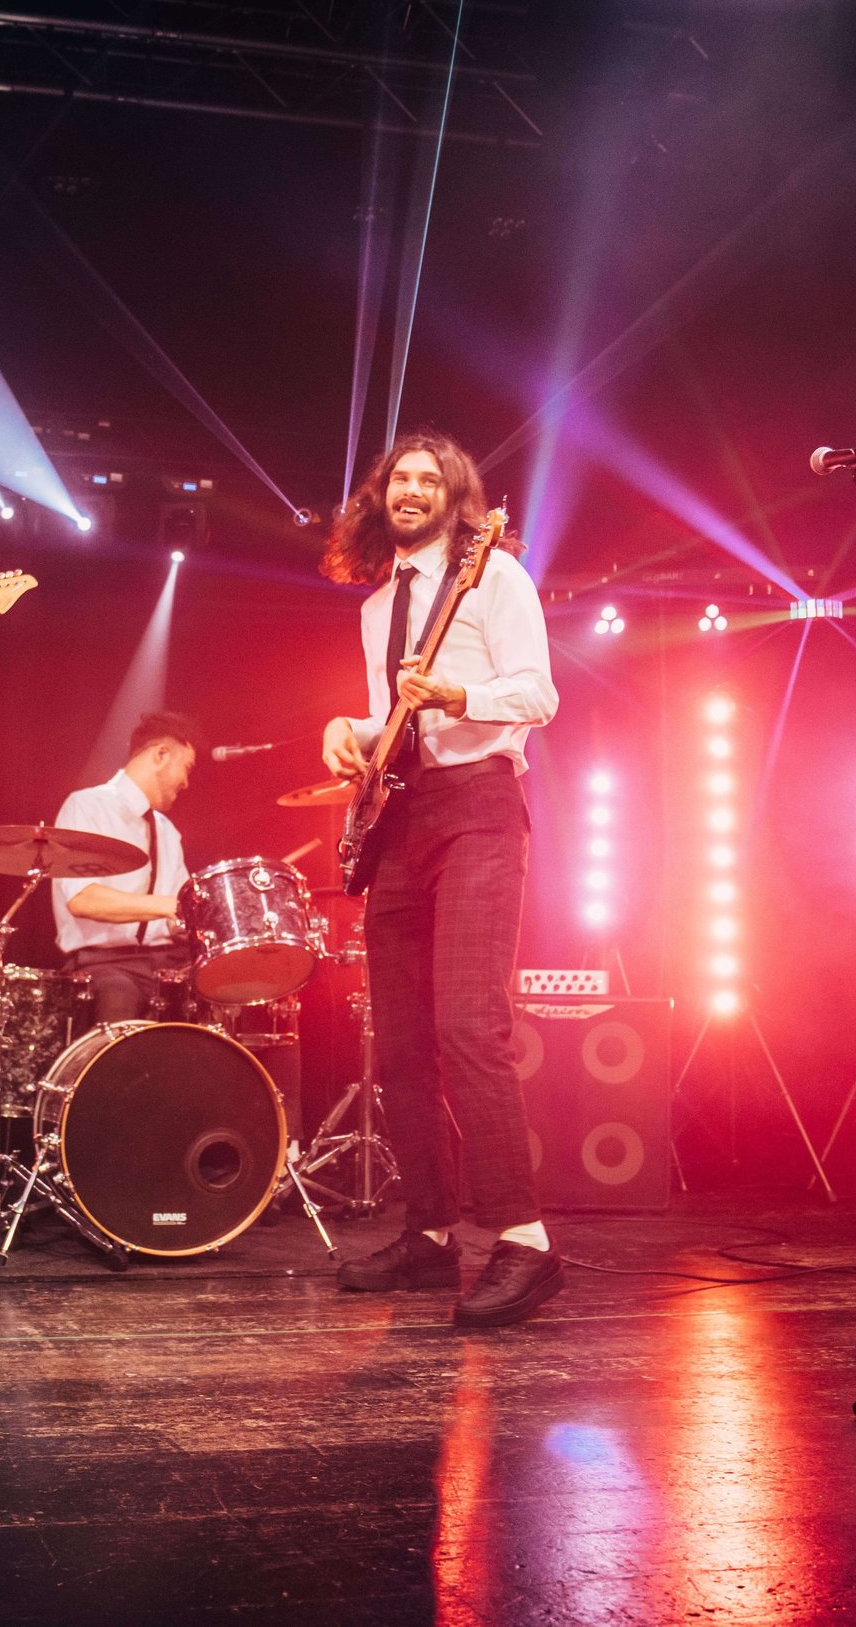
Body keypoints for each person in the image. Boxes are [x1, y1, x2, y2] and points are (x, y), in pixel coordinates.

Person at [318, 430, 563, 1330]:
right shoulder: (378, 605)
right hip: (404, 817)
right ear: (380, 497)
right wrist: (348, 731)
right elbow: (390, 716)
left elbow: (538, 694)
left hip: (479, 807)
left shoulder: (493, 577)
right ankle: (428, 1231)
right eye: (399, 479)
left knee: (467, 1024)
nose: (411, 490)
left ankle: (526, 1241)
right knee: (402, 1042)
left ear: (456, 497)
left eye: (430, 479)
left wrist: (460, 697)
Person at [51, 712, 198, 1025]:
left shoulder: (167, 830)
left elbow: (177, 915)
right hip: (104, 964)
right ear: (161, 755)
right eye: (186, 768)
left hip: (165, 964)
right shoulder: (87, 806)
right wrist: (168, 905)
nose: (187, 782)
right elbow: (83, 899)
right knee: (119, 995)